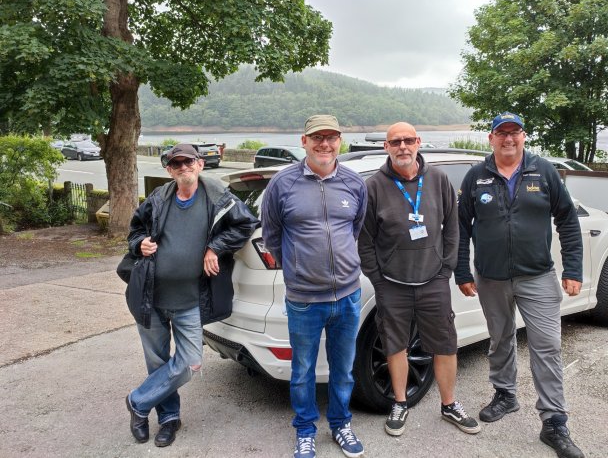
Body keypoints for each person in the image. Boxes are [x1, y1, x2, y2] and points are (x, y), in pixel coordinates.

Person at [455, 112, 585, 458]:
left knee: (547, 346)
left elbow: (568, 221)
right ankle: (505, 395)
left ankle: (554, 421)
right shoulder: (476, 176)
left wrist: (573, 268)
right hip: (491, 276)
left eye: (514, 132)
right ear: (491, 138)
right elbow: (460, 227)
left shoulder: (543, 172)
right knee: (500, 338)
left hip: (538, 275)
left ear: (524, 136)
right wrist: (462, 272)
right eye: (502, 133)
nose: (508, 139)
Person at [125, 143, 259, 447]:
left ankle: (138, 401)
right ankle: (169, 419)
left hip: (190, 301)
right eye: (176, 164)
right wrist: (140, 244)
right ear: (169, 170)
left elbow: (247, 224)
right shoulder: (158, 199)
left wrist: (215, 247)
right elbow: (134, 231)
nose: (183, 167)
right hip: (151, 297)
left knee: (189, 363)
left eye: (189, 162)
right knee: (157, 363)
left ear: (200, 165)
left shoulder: (218, 198)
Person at [358, 122, 481, 438]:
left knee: (445, 344)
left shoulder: (438, 180)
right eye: (395, 141)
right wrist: (379, 279)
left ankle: (449, 404)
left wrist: (446, 270)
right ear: (386, 146)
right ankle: (400, 403)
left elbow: (453, 228)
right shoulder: (374, 186)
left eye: (408, 140)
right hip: (392, 284)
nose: (402, 147)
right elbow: (365, 239)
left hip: (433, 282)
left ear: (418, 143)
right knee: (394, 345)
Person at [261, 115, 367, 458]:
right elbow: (272, 237)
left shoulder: (353, 182)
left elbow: (355, 230)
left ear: (340, 141)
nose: (325, 144)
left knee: (343, 368)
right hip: (304, 298)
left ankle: (340, 424)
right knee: (303, 370)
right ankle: (305, 430)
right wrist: (298, 268)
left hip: (349, 295)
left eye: (331, 137)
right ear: (303, 141)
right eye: (317, 137)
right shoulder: (283, 183)